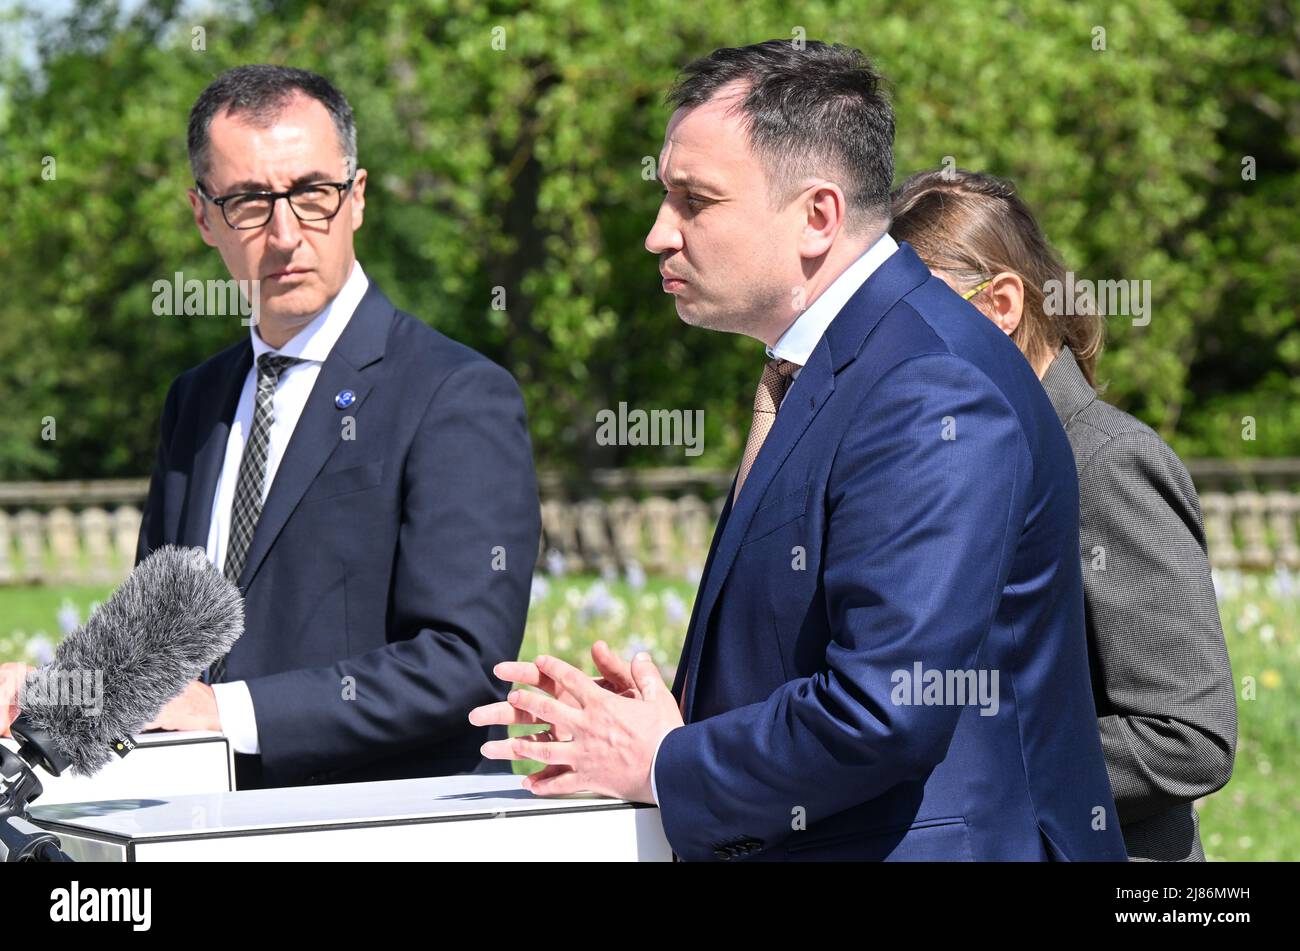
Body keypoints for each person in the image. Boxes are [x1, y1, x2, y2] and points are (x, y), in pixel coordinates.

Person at [470, 40, 1127, 861]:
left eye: (693, 200)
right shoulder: (830, 363)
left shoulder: (931, 387)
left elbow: (883, 711)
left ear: (817, 216)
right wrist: (663, 717)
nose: (656, 235)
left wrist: (665, 761)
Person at [131, 65, 540, 789]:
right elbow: (163, 650)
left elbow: (463, 661)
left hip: (382, 827)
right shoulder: (195, 401)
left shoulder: (456, 394)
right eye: (250, 203)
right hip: (196, 825)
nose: (286, 234)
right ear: (203, 217)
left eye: (312, 194)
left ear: (356, 198)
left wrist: (231, 712)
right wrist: (58, 695)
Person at [890, 168, 1237, 861]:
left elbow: (1189, 736)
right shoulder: (970, 460)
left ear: (1000, 304)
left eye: (911, 322)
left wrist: (973, 763)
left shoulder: (1107, 461)